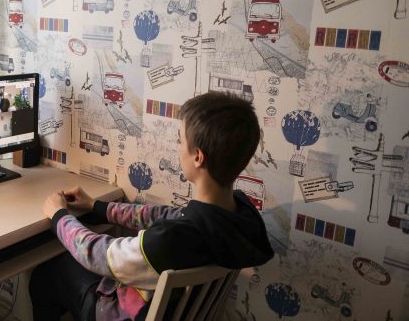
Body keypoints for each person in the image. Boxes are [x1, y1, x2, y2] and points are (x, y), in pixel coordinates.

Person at [30, 92, 274, 321]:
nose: (178, 147)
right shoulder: (237, 217)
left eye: (180, 141)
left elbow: (97, 253)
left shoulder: (167, 242)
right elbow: (162, 215)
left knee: (47, 273)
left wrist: (58, 215)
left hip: (122, 315)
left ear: (198, 157)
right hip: (175, 312)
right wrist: (97, 207)